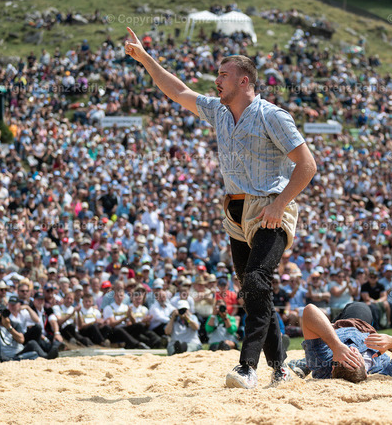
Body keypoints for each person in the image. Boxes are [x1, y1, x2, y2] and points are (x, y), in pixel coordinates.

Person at [126, 28, 316, 389]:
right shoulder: (219, 111)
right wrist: (145, 58)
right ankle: (280, 367)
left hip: (270, 207)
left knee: (257, 282)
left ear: (244, 81)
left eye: (223, 75)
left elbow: (307, 165)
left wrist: (279, 205)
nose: (216, 80)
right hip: (235, 212)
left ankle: (247, 367)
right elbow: (178, 91)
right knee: (254, 292)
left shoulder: (272, 116)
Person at [299, 304, 392, 382]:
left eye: (346, 356)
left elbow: (309, 310)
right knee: (361, 306)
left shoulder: (323, 365)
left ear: (333, 368)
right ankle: (308, 359)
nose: (352, 350)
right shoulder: (381, 375)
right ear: (367, 374)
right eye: (355, 357)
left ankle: (307, 361)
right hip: (363, 325)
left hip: (342, 326)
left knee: (315, 356)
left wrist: (336, 346)